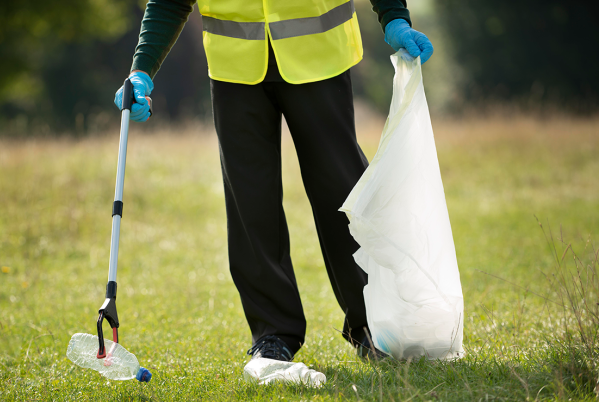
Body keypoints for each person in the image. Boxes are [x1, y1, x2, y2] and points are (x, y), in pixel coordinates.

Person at [115, 0, 433, 362]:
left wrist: (393, 17)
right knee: (250, 202)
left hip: (319, 59)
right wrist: (142, 69)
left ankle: (373, 325)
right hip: (234, 71)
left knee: (342, 192)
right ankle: (273, 334)